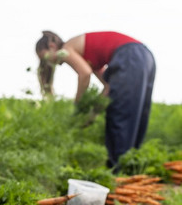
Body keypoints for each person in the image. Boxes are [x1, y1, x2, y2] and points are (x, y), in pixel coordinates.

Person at [35, 31, 156, 171]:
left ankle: (118, 175)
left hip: (129, 55)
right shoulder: (90, 56)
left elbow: (85, 74)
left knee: (119, 116)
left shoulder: (66, 49)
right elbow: (108, 87)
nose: (49, 63)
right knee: (135, 113)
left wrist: (78, 107)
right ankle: (130, 171)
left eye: (45, 57)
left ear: (52, 46)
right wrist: (93, 113)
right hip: (144, 56)